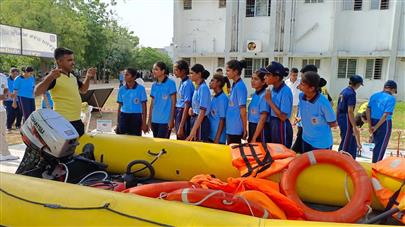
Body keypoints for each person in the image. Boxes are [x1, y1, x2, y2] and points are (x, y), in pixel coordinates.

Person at [34, 47, 96, 136]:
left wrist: (88, 77)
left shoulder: (72, 75)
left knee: (78, 149)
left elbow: (83, 90)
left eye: (73, 60)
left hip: (77, 120)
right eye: (69, 60)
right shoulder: (53, 76)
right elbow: (36, 92)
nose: (73, 63)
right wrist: (50, 77)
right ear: (59, 61)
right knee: (66, 150)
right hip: (63, 122)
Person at [298, 71, 337, 152]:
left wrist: (318, 123)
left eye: (302, 84)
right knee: (309, 163)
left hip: (321, 144)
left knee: (319, 164)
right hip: (306, 140)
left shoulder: (323, 103)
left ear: (311, 88)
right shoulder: (301, 97)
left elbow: (333, 123)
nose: (299, 86)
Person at [263, 61, 293, 148]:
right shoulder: (273, 89)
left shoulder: (285, 91)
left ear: (276, 77)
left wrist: (269, 101)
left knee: (281, 153)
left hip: (281, 126)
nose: (265, 77)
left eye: (268, 75)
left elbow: (283, 117)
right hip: (273, 124)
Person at [366, 80, 397, 163]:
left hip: (372, 120)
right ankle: (376, 166)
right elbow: (386, 115)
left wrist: (370, 125)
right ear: (393, 89)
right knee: (381, 146)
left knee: (376, 144)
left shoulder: (374, 95)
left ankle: (374, 163)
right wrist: (376, 127)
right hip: (384, 123)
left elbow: (368, 110)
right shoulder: (391, 98)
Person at [337, 75, 364, 159]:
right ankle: (342, 158)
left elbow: (338, 106)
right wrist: (354, 126)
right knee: (347, 138)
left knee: (345, 136)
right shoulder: (351, 93)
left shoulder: (344, 91)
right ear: (357, 84)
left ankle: (342, 156)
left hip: (340, 116)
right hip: (346, 117)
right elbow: (350, 111)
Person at [148, 62, 177, 138]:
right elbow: (152, 104)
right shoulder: (154, 85)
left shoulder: (171, 83)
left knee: (163, 145)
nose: (154, 71)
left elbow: (174, 103)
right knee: (156, 144)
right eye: (153, 69)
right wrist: (149, 119)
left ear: (163, 71)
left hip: (165, 121)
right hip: (154, 120)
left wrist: (171, 120)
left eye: (156, 69)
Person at [116, 68, 147, 136]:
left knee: (135, 140)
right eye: (124, 75)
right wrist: (118, 123)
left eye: (127, 75)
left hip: (136, 117)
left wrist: (144, 123)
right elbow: (119, 107)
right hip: (123, 116)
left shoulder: (141, 89)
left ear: (134, 77)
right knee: (122, 139)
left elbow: (144, 107)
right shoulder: (121, 89)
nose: (125, 76)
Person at [186, 64, 211, 142]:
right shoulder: (198, 87)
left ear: (199, 74)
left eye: (192, 73)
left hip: (200, 122)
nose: (190, 75)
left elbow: (202, 112)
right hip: (195, 119)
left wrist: (193, 131)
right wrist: (191, 109)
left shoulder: (203, 88)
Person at [225, 60, 248, 144]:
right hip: (230, 128)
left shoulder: (240, 87)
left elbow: (243, 110)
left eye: (228, 70)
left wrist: (244, 129)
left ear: (236, 71)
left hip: (235, 129)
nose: (226, 73)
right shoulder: (235, 85)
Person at [174, 60, 194, 140]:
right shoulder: (182, 82)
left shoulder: (187, 84)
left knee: (182, 137)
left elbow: (187, 104)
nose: (174, 72)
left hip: (183, 112)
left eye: (176, 70)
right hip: (179, 111)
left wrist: (181, 126)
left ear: (183, 71)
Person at [0, 71, 18, 161]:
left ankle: (4, 153)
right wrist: (2, 97)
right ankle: (4, 153)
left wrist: (8, 94)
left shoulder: (3, 76)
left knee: (2, 132)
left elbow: (5, 89)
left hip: (1, 109)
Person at [248, 70, 270, 143]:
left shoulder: (264, 95)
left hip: (260, 131)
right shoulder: (255, 94)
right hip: (252, 127)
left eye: (256, 79)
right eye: (252, 78)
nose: (252, 81)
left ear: (263, 82)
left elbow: (263, 119)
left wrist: (254, 137)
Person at [208, 73, 228, 144]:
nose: (210, 83)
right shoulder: (214, 97)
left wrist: (217, 137)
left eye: (212, 81)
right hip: (210, 135)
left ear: (218, 83)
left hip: (218, 138)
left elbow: (222, 119)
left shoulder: (223, 99)